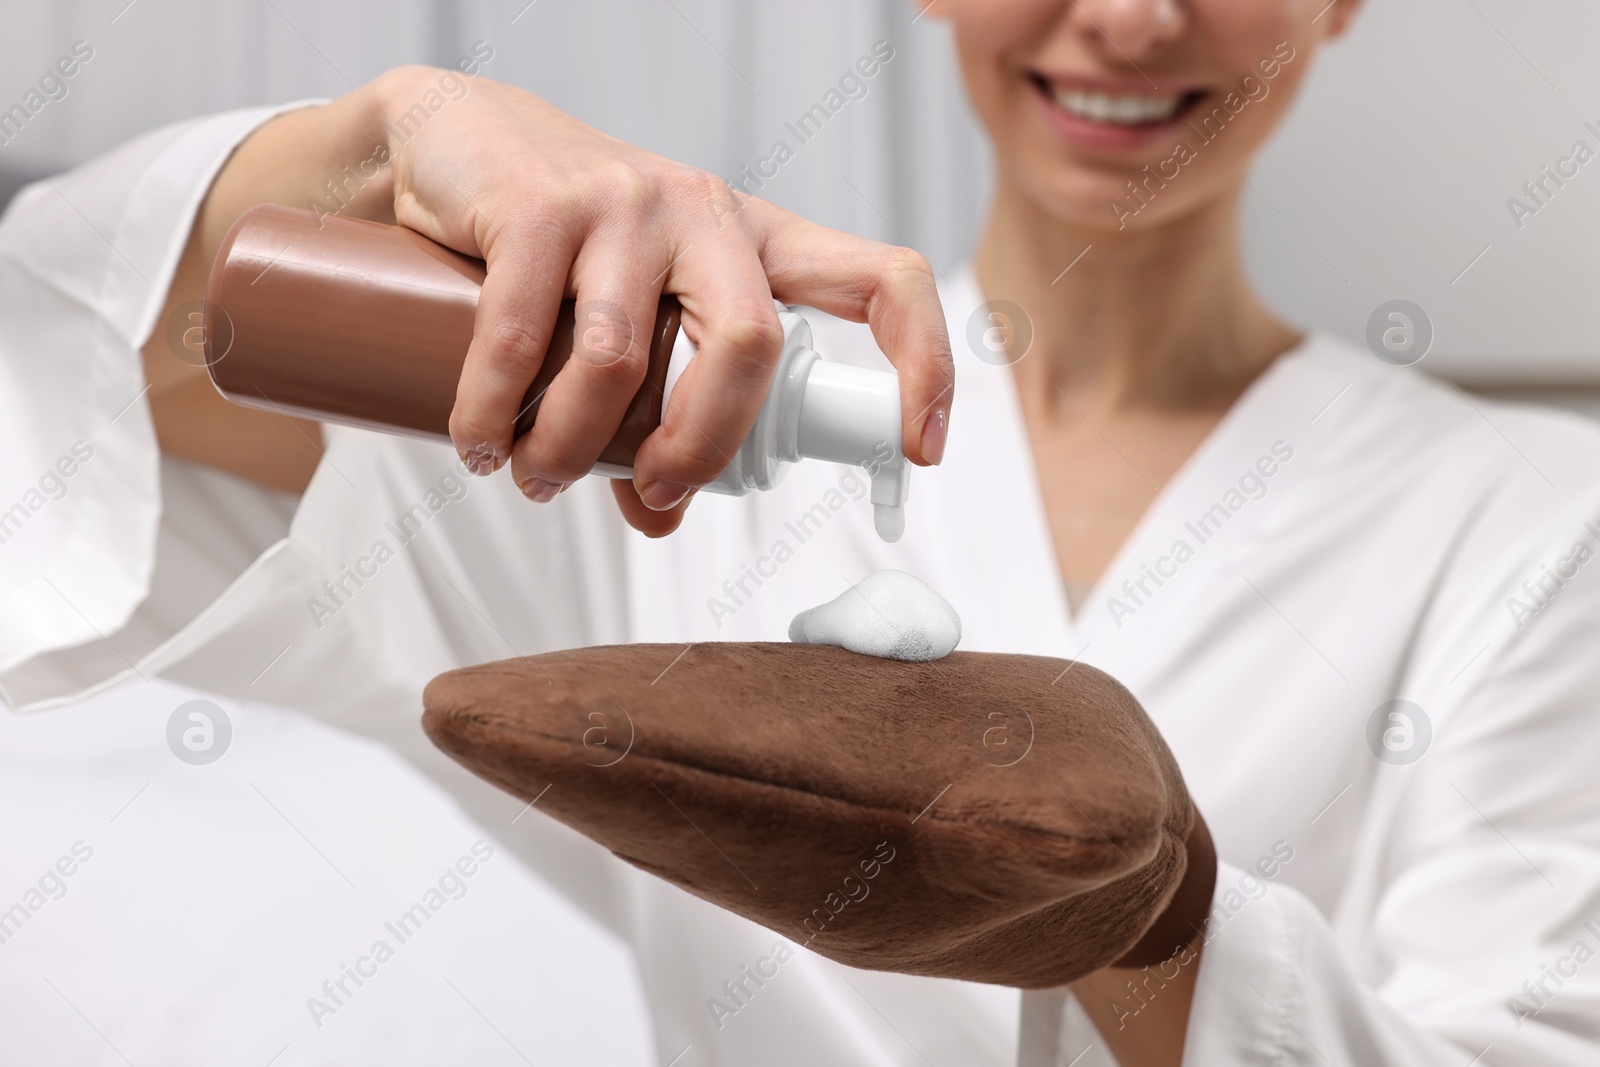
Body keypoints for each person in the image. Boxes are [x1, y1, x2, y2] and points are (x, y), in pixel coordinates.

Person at [3, 0, 1598, 1063]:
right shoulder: (662, 431)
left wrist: (1164, 927)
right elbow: (71, 399)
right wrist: (385, 132)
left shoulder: (1536, 524)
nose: (1128, 15)